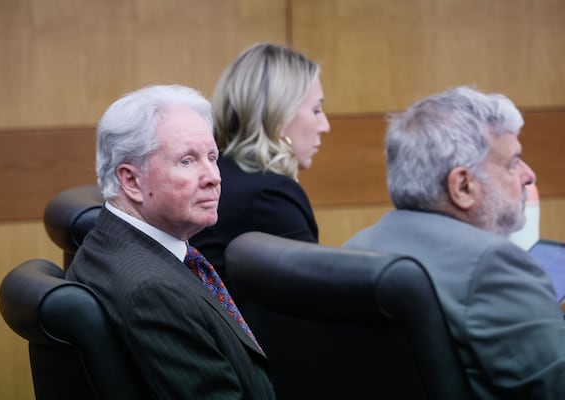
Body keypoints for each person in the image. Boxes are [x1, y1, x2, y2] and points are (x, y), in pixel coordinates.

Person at [343, 86, 565, 399]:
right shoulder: (493, 266)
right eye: (513, 162)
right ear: (462, 186)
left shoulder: (353, 248)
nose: (529, 176)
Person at [65, 85, 276, 399]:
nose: (214, 177)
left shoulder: (111, 244)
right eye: (187, 161)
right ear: (131, 180)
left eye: (212, 157)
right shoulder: (151, 290)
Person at [190, 42, 330, 285]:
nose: (325, 126)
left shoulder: (220, 174)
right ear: (279, 115)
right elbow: (315, 303)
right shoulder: (269, 197)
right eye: (316, 110)